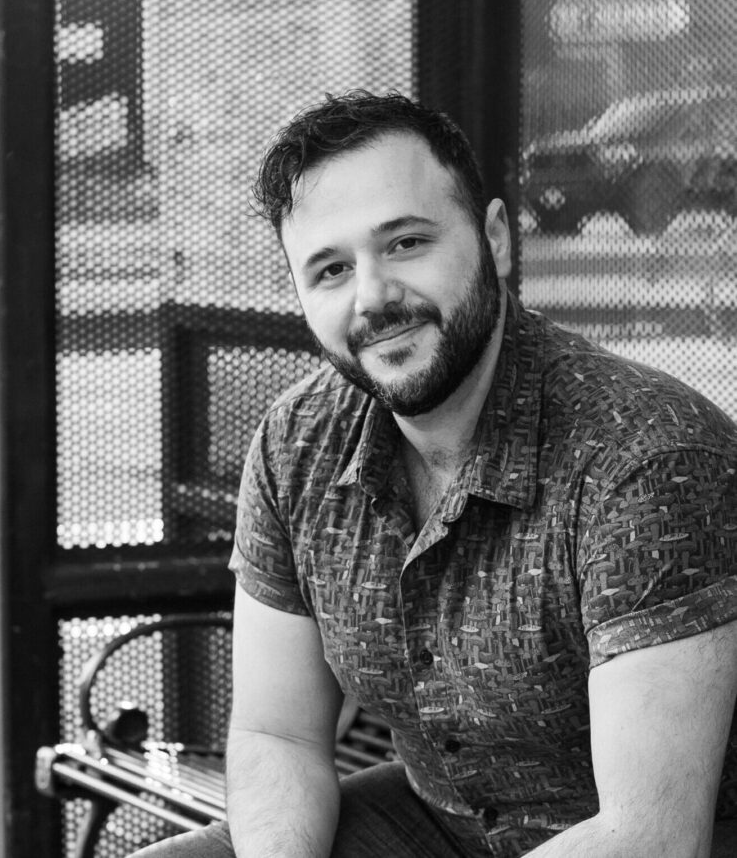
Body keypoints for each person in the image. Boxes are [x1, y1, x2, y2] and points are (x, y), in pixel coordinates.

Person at [133, 90, 737, 857]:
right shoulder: (297, 442)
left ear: (494, 238)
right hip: (438, 819)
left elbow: (649, 837)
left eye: (407, 242)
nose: (373, 296)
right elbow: (276, 733)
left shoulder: (644, 457)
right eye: (329, 270)